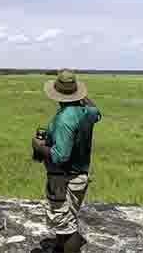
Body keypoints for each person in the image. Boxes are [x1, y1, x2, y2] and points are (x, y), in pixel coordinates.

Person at [32, 69, 101, 253]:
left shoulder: (64, 120)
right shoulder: (87, 112)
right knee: (67, 220)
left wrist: (39, 146)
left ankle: (69, 247)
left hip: (64, 178)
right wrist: (78, 94)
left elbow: (60, 156)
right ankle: (61, 247)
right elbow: (96, 111)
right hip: (79, 176)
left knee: (66, 226)